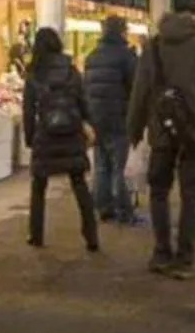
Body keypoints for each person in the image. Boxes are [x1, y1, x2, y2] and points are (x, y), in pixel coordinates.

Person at [127, 0, 195, 279]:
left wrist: (134, 129)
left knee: (159, 191)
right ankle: (185, 258)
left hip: (162, 128)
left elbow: (141, 91)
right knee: (192, 193)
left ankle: (162, 252)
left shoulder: (154, 45)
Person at [22, 27, 99, 251]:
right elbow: (84, 102)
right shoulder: (72, 71)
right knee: (79, 183)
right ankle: (91, 236)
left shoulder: (34, 74)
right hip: (71, 133)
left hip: (45, 135)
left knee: (39, 186)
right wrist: (87, 124)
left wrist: (30, 138)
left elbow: (28, 111)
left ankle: (36, 234)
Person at [83, 15, 139, 225]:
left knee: (100, 165)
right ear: (122, 31)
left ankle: (103, 208)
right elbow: (135, 88)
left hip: (96, 119)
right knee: (119, 167)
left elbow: (86, 90)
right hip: (118, 118)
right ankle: (124, 209)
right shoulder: (126, 57)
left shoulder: (91, 57)